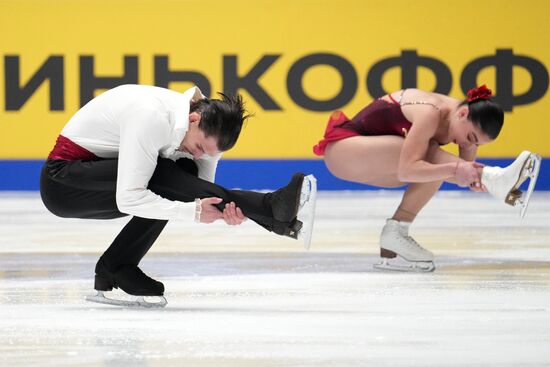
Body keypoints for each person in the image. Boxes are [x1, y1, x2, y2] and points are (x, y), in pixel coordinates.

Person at [40, 84, 316, 307]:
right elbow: (130, 198)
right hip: (64, 184)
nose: (200, 154)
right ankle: (270, 210)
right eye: (198, 146)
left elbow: (196, 187)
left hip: (106, 181)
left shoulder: (206, 128)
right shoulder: (151, 117)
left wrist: (223, 212)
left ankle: (117, 267)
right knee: (161, 173)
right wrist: (192, 211)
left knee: (183, 169)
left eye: (207, 152)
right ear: (194, 119)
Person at [313, 85, 540, 272]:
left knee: (436, 165)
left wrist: (474, 178)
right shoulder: (430, 112)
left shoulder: (461, 125)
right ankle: (495, 178)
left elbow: (461, 167)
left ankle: (396, 232)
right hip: (344, 152)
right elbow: (407, 170)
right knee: (429, 159)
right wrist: (467, 172)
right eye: (470, 137)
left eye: (476, 143)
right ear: (462, 114)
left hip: (380, 159)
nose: (468, 144)